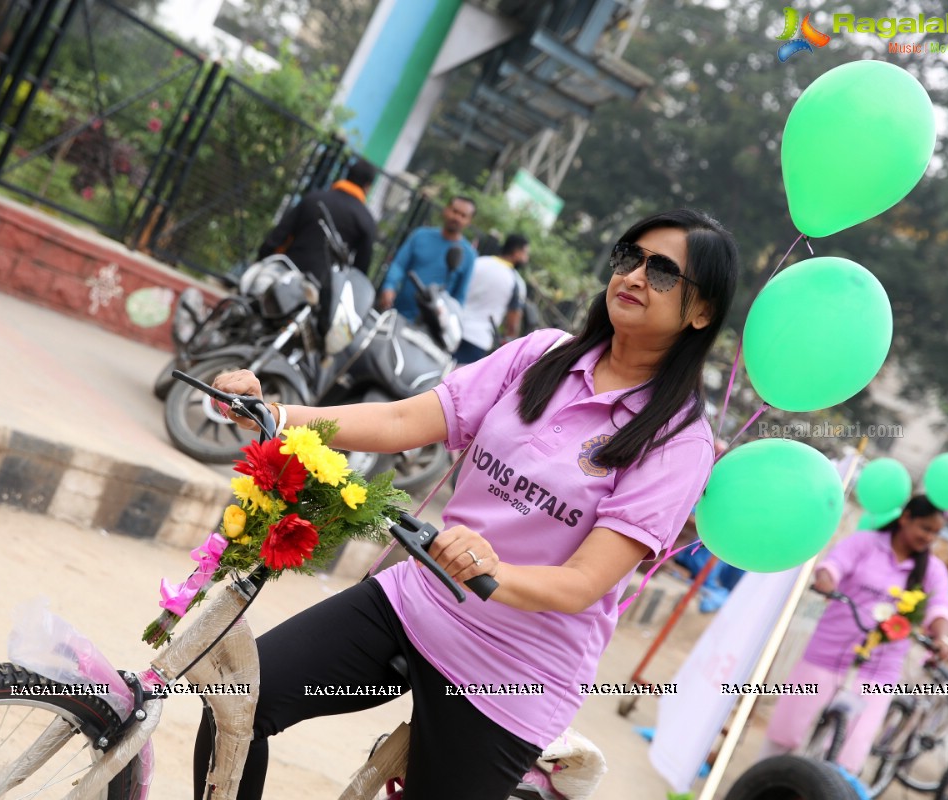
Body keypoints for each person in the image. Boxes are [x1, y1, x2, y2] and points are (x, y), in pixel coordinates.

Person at [200, 208, 740, 800]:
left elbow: (584, 583)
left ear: (701, 311)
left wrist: (493, 571)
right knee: (236, 700)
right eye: (628, 258)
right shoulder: (540, 354)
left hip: (511, 675)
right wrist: (277, 415)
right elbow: (405, 418)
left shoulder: (678, 440)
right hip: (417, 601)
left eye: (662, 272)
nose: (635, 276)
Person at [758, 494, 948, 774]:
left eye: (936, 532)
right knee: (786, 732)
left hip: (879, 671)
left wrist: (941, 638)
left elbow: (940, 608)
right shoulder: (865, 543)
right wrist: (825, 581)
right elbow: (833, 565)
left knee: (847, 755)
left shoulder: (932, 570)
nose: (929, 537)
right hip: (827, 654)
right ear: (905, 518)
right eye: (925, 528)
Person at [257, 160, 378, 331]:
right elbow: (359, 273)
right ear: (368, 186)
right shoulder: (365, 220)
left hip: (283, 275)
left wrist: (260, 260)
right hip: (319, 295)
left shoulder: (314, 198)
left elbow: (277, 237)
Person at [378, 196, 478, 322]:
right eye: (454, 211)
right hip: (398, 315)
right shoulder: (421, 235)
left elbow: (459, 296)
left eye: (463, 215)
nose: (456, 218)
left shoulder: (468, 255)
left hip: (431, 328)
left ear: (469, 221)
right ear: (446, 210)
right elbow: (399, 265)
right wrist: (389, 286)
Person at [455, 233, 530, 365]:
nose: (526, 258)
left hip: (453, 326)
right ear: (517, 252)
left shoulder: (479, 262)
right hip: (478, 340)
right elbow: (512, 324)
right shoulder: (516, 282)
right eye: (525, 253)